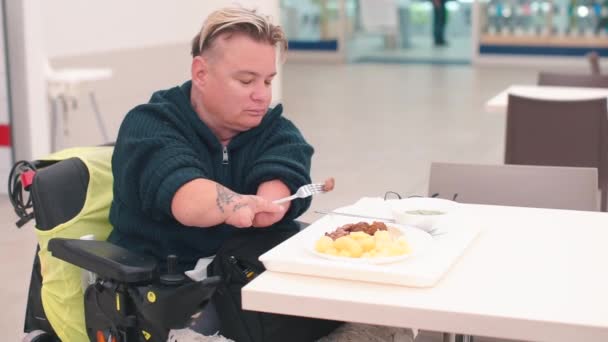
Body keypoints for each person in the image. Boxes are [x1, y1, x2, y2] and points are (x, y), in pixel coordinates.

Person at [108, 7, 313, 272]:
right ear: (201, 74)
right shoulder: (150, 125)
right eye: (246, 80)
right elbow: (188, 198)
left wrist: (269, 206)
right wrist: (238, 205)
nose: (262, 96)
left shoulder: (278, 131)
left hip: (242, 276)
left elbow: (280, 181)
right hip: (161, 288)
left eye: (267, 81)